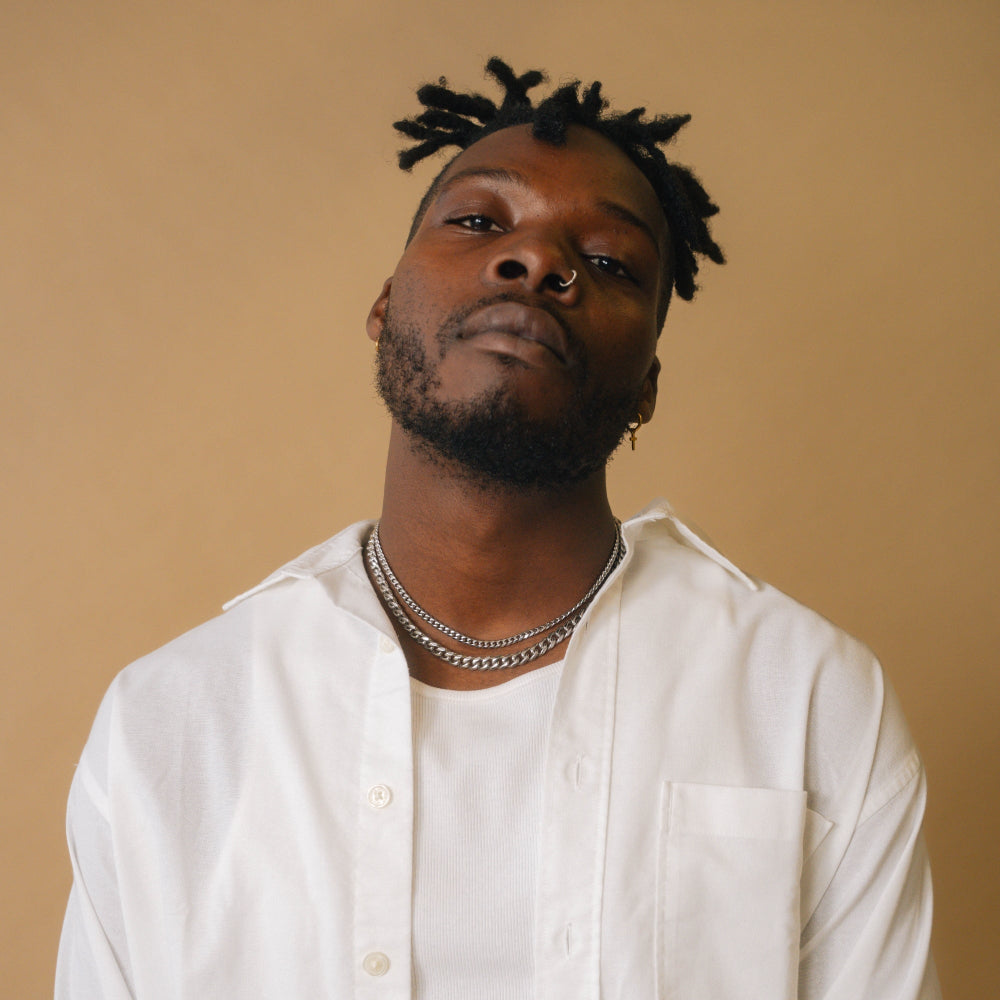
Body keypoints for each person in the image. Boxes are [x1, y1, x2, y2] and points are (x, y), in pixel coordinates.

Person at [56, 59, 940, 999]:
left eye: (606, 262)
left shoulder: (810, 701)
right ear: (385, 305)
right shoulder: (173, 719)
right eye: (480, 222)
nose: (537, 261)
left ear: (647, 384)